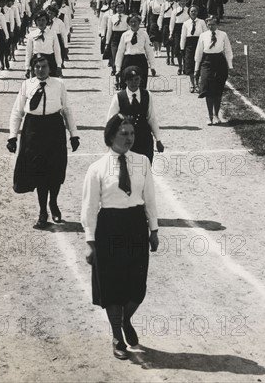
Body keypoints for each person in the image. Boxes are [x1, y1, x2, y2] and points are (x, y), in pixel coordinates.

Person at [81, 114, 159, 360]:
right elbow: (90, 207)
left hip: (135, 225)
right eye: (124, 133)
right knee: (112, 285)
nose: (129, 138)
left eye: (132, 133)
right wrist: (90, 242)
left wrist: (154, 229)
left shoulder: (142, 162)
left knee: (137, 286)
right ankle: (117, 335)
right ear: (111, 135)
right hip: (109, 228)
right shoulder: (97, 168)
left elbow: (150, 197)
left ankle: (127, 319)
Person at [7, 54, 80, 228]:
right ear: (32, 68)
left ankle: (53, 203)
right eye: (37, 67)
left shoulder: (59, 84)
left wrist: (74, 134)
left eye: (44, 66)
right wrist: (12, 136)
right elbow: (17, 112)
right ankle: (42, 211)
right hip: (33, 130)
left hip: (54, 128)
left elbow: (67, 110)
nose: (40, 70)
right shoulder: (26, 85)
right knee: (39, 170)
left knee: (55, 169)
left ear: (50, 68)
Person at [107, 66, 164, 163]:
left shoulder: (147, 95)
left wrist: (158, 140)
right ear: (125, 81)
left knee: (145, 170)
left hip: (144, 140)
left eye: (136, 79)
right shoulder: (119, 98)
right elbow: (111, 121)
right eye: (130, 80)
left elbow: (151, 118)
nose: (134, 83)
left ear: (141, 79)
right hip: (126, 140)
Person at [194, 17, 233, 125]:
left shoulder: (223, 35)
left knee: (218, 90)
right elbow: (198, 52)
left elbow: (228, 50)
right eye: (209, 25)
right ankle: (209, 115)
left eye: (213, 24)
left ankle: (216, 115)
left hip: (219, 62)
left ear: (217, 25)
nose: (211, 27)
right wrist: (196, 68)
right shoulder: (203, 36)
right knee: (208, 89)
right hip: (207, 62)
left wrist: (230, 65)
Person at [115, 14, 156, 90]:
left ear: (139, 22)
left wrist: (152, 66)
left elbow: (149, 51)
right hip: (128, 60)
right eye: (131, 22)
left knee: (141, 85)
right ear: (128, 23)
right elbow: (120, 52)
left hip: (140, 60)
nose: (133, 24)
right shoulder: (125, 35)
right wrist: (118, 69)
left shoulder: (144, 34)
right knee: (126, 85)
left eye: (135, 21)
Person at [25, 10, 62, 78]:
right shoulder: (32, 34)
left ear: (47, 21)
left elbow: (57, 50)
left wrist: (59, 65)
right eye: (39, 20)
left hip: (50, 60)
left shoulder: (52, 33)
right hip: (36, 61)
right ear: (36, 22)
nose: (41, 22)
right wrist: (27, 67)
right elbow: (28, 51)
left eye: (43, 20)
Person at [180, 5, 208, 93]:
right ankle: (192, 84)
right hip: (189, 45)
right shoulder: (186, 23)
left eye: (195, 11)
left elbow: (206, 34)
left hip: (199, 43)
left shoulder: (202, 22)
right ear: (189, 13)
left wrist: (206, 46)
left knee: (199, 63)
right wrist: (182, 47)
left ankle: (197, 83)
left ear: (197, 12)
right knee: (190, 64)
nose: (193, 13)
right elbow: (183, 36)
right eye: (192, 11)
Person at [105, 1, 129, 76]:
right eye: (118, 7)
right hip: (115, 37)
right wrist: (107, 42)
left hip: (124, 37)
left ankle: (122, 69)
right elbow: (109, 31)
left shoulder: (127, 17)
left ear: (124, 8)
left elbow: (129, 30)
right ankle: (114, 69)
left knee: (123, 54)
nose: (120, 9)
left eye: (121, 7)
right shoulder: (112, 18)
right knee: (114, 54)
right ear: (115, 8)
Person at [169, 0, 188, 74]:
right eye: (181, 1)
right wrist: (171, 33)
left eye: (184, 1)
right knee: (178, 48)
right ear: (178, 2)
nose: (183, 3)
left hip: (187, 29)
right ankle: (180, 66)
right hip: (177, 30)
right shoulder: (175, 11)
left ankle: (185, 66)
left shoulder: (189, 10)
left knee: (186, 49)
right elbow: (172, 22)